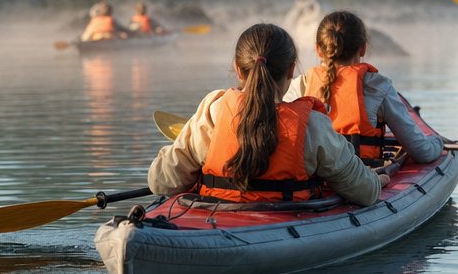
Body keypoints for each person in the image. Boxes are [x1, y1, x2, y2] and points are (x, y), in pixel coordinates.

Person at [148, 22, 386, 207]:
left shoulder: (214, 109)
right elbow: (366, 193)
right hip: (285, 223)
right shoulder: (313, 125)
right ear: (291, 69)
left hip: (215, 217)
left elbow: (161, 181)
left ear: (238, 69)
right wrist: (379, 181)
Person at [284, 10, 444, 164]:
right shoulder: (378, 86)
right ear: (363, 48)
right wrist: (437, 142)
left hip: (313, 180)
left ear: (318, 49)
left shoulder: (300, 85)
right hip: (361, 176)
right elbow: (422, 152)